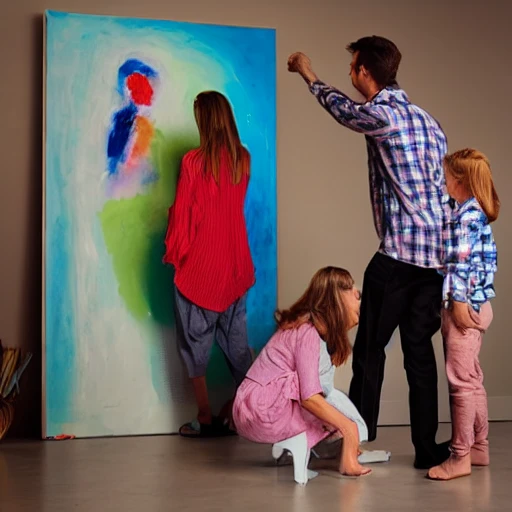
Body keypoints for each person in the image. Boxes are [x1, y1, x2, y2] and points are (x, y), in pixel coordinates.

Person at [287, 36, 451, 469]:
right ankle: (427, 450)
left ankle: (354, 438)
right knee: (419, 353)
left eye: (353, 67)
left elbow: (346, 112)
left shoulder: (385, 116)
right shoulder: (429, 122)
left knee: (369, 350)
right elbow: (442, 190)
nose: (350, 74)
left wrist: (309, 75)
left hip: (399, 256)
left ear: (364, 72)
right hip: (434, 260)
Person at [163, 91, 255, 437]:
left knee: (193, 346)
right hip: (235, 267)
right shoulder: (242, 159)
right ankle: (235, 412)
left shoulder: (192, 162)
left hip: (200, 269)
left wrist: (175, 255)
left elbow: (186, 216)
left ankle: (203, 417)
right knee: (238, 349)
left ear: (205, 120)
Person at [233, 266, 375, 477]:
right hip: (258, 409)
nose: (357, 294)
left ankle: (311, 445)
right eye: (350, 288)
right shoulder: (307, 332)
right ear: (334, 299)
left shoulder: (315, 334)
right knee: (319, 399)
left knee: (329, 398)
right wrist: (348, 428)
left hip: (256, 406)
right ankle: (334, 449)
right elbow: (309, 397)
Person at [428, 149, 499, 481]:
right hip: (477, 304)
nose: (443, 181)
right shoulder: (471, 212)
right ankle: (480, 447)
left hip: (463, 307)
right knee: (473, 379)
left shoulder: (467, 219)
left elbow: (460, 263)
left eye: (446, 176)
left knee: (460, 383)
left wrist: (456, 304)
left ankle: (460, 457)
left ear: (460, 181)